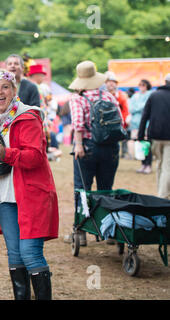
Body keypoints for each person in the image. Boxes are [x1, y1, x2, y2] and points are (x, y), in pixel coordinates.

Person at [0, 68, 58, 300]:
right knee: (15, 256)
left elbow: (36, 157)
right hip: (5, 197)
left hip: (31, 195)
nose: (0, 92)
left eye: (5, 87)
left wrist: (5, 153)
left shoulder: (28, 117)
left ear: (14, 90)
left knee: (30, 254)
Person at [65, 61, 122, 246]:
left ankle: (80, 231)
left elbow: (78, 125)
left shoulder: (77, 98)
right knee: (106, 189)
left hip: (87, 147)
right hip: (111, 148)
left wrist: (79, 145)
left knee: (82, 190)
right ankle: (110, 231)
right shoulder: (109, 96)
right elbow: (120, 121)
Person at [138, 73, 170, 199]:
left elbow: (144, 116)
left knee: (160, 164)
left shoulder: (154, 95)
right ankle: (163, 196)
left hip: (155, 136)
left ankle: (161, 192)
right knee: (167, 167)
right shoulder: (154, 95)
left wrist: (140, 136)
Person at [128, 79, 153, 174]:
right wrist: (139, 108)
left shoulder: (150, 94)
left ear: (147, 86)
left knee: (147, 144)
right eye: (140, 85)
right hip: (136, 124)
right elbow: (131, 108)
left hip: (146, 124)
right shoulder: (135, 95)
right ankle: (143, 164)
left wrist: (137, 108)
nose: (141, 86)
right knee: (139, 144)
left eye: (143, 85)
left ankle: (148, 165)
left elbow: (145, 107)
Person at [105, 72, 130, 159]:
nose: (111, 83)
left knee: (123, 138)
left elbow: (125, 110)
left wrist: (124, 122)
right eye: (109, 81)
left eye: (113, 81)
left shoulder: (121, 95)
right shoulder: (103, 95)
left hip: (119, 121)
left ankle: (124, 153)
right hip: (106, 123)